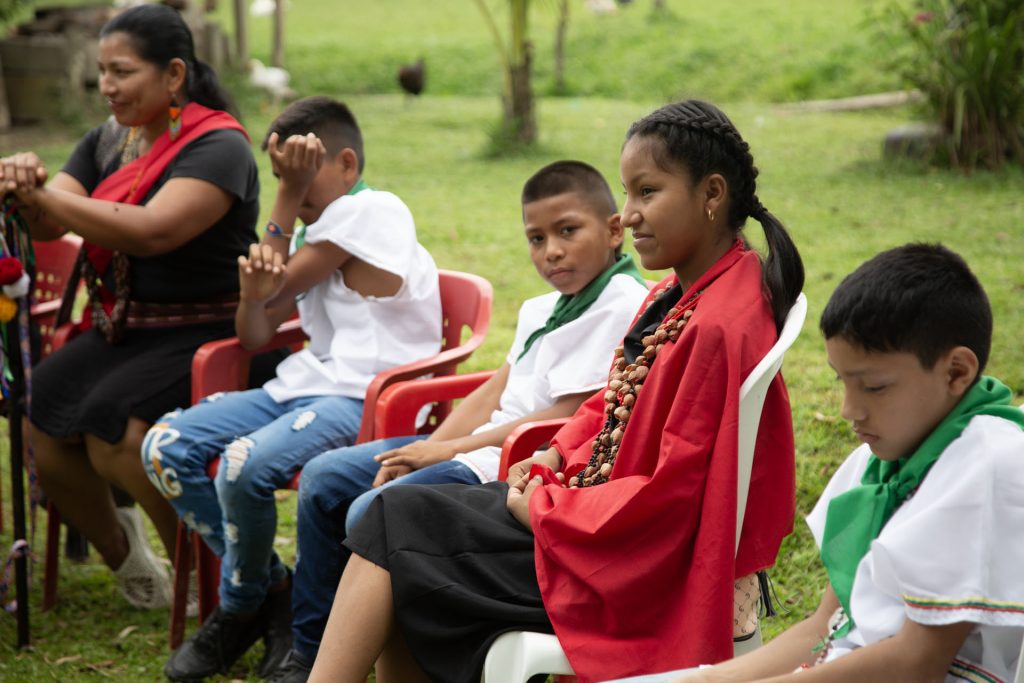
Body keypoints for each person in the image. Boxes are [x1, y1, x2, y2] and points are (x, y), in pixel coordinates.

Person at [307, 99, 806, 683]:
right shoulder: (685, 293)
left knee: (394, 527)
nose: (630, 215)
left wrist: (543, 509)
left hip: (628, 564)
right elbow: (612, 403)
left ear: (712, 193)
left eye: (647, 192)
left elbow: (672, 496)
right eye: (628, 193)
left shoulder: (718, 324)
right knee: (398, 521)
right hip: (595, 519)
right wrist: (552, 453)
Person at [267, 160, 651, 682]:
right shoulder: (543, 307)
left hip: (503, 462)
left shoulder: (621, 304)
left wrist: (445, 452)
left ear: (613, 230)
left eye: (567, 231)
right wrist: (425, 449)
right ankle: (309, 652)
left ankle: (378, 648)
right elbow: (495, 389)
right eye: (536, 239)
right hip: (471, 446)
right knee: (324, 476)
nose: (551, 252)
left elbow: (567, 415)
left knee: (368, 513)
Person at [140, 95, 442, 681]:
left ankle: (238, 606)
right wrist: (256, 291)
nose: (292, 187)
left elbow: (276, 284)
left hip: (363, 397)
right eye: (281, 175)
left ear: (347, 165)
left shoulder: (373, 210)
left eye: (302, 173)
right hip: (304, 385)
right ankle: (267, 588)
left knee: (241, 465)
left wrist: (285, 194)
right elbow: (254, 332)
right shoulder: (312, 235)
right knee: (164, 445)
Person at [659, 244, 1024, 683]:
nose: (849, 410)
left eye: (874, 387)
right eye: (842, 382)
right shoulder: (879, 459)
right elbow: (823, 629)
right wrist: (710, 679)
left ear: (956, 372)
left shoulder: (986, 466)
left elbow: (917, 664)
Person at [0, 4, 259, 612]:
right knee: (39, 418)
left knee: (114, 432)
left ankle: (205, 570)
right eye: (102, 72)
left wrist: (44, 198)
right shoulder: (108, 140)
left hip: (209, 335)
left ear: (174, 74)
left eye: (122, 72)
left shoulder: (219, 145)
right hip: (125, 331)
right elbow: (48, 223)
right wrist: (25, 186)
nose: (107, 86)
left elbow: (151, 231)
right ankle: (128, 559)